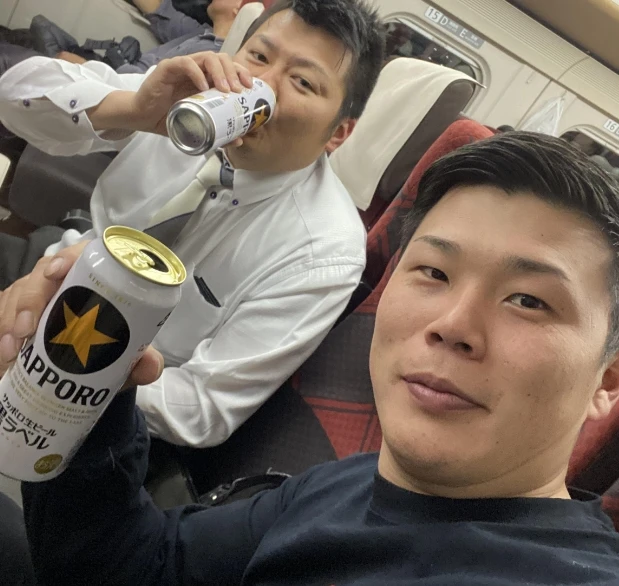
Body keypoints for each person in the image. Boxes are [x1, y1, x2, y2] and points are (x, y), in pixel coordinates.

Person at [3, 131, 619, 584]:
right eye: (434, 271)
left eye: (528, 301)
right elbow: (134, 567)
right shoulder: (351, 483)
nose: (453, 326)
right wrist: (90, 379)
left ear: (608, 380)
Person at [0, 0, 385, 448]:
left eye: (302, 81)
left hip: (114, 385)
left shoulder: (325, 251)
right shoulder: (185, 102)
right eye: (258, 56)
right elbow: (14, 95)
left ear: (338, 133)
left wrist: (55, 370)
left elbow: (204, 407)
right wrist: (133, 109)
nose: (261, 83)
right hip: (56, 266)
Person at [54, 0, 242, 73]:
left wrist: (83, 67)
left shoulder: (211, 58)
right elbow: (160, 12)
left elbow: (140, 91)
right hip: (109, 73)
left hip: (112, 87)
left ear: (240, 9)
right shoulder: (202, 32)